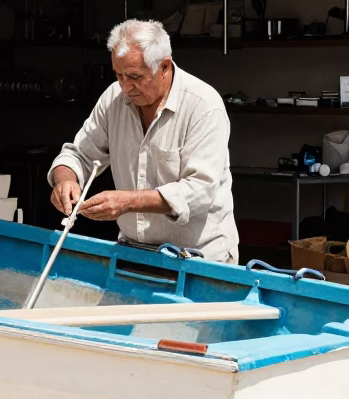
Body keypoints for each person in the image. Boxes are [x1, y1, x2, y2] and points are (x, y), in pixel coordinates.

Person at [48, 19, 238, 262]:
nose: (126, 87)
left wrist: (129, 201)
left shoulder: (203, 106)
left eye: (135, 77)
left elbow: (200, 189)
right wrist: (65, 180)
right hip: (132, 253)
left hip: (198, 258)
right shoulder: (113, 99)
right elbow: (79, 154)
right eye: (119, 75)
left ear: (164, 67)